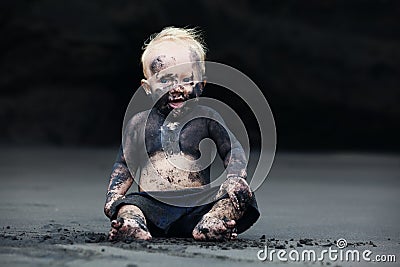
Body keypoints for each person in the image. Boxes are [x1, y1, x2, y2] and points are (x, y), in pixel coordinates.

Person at [104, 26, 259, 241]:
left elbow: (232, 150)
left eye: (187, 80)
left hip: (198, 205)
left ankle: (212, 222)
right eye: (165, 80)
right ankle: (133, 225)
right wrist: (115, 195)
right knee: (128, 205)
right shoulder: (139, 124)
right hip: (152, 205)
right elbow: (124, 164)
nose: (176, 88)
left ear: (202, 85)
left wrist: (235, 178)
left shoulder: (206, 117)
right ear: (148, 88)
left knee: (242, 198)